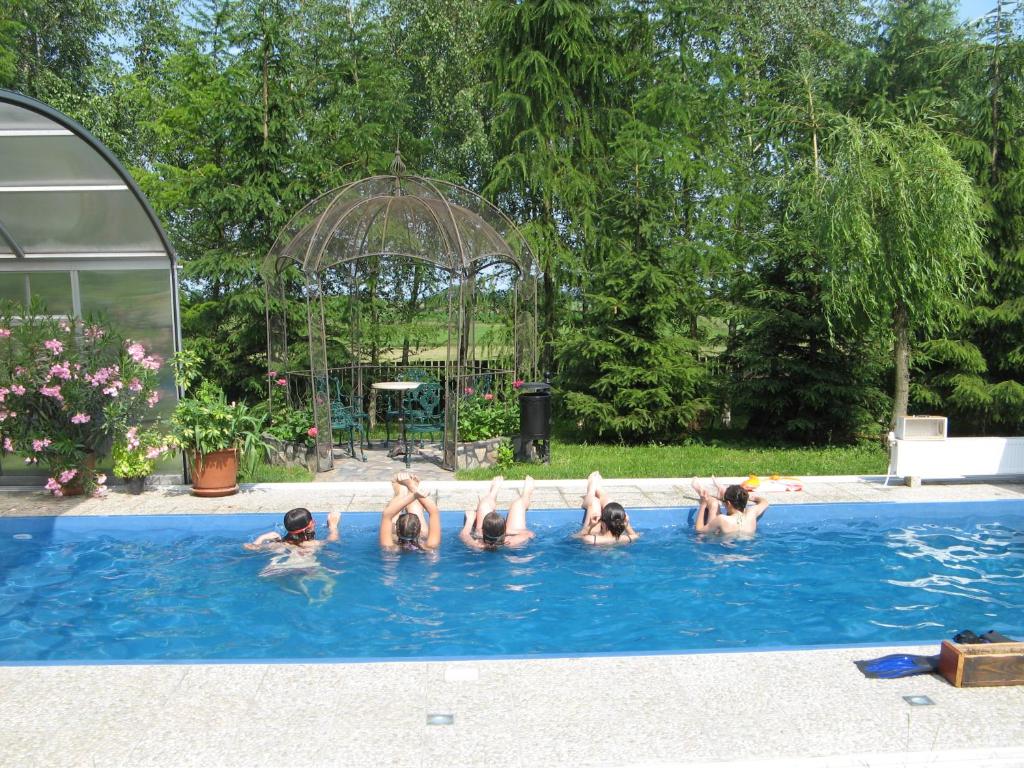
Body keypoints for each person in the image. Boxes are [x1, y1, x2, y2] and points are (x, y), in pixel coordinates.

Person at [459, 475, 535, 550]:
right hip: (508, 537)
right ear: (504, 531)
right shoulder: (512, 542)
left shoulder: (478, 544)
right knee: (518, 505)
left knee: (484, 505)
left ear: (483, 530)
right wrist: (509, 531)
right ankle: (526, 493)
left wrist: (469, 521)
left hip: (487, 534)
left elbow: (464, 535)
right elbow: (530, 534)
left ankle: (493, 491)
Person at [379, 472, 442, 552]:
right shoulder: (430, 547)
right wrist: (412, 487)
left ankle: (400, 495)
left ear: (397, 529)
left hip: (397, 540)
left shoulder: (389, 547)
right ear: (419, 530)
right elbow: (434, 511)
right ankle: (411, 493)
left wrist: (414, 494)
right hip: (420, 540)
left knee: (391, 527)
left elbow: (387, 515)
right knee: (417, 514)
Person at [576, 471, 638, 545]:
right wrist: (627, 525)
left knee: (594, 502)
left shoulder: (592, 540)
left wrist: (590, 525)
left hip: (595, 533)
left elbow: (575, 537)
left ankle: (592, 487)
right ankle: (597, 487)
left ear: (603, 523)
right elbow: (635, 536)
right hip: (611, 533)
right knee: (609, 502)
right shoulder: (626, 539)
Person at [691, 477, 769, 536]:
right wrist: (752, 497)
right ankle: (721, 495)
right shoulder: (752, 513)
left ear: (728, 503)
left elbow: (699, 530)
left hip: (720, 551)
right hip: (746, 556)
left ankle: (703, 492)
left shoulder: (722, 519)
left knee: (714, 504)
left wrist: (703, 504)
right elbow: (765, 502)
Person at [244, 507, 340, 551]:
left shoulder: (280, 544)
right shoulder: (311, 544)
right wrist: (333, 526)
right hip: (306, 569)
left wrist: (262, 538)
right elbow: (332, 540)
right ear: (310, 526)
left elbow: (248, 547)